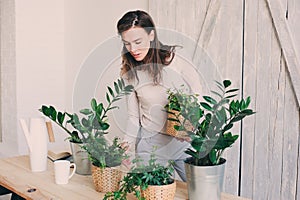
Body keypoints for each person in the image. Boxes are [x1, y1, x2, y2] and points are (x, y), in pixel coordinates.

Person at [117, 10, 201, 182]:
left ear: (151, 34)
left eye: (137, 42)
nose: (133, 49)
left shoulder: (176, 61)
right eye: (127, 43)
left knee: (199, 192)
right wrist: (127, 146)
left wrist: (191, 122)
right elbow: (134, 116)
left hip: (184, 142)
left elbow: (198, 94)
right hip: (151, 146)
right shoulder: (129, 72)